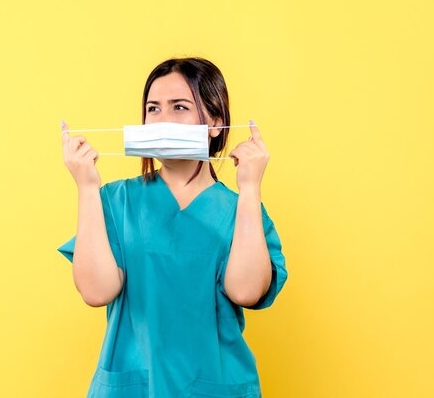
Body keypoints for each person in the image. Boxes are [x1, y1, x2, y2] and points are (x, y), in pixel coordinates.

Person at [58, 57, 288, 398]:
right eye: (153, 109)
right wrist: (87, 188)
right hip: (133, 388)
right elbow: (96, 292)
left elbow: (246, 291)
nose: (161, 120)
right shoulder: (115, 201)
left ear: (215, 123)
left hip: (214, 387)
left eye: (179, 107)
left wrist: (251, 188)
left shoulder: (241, 211)